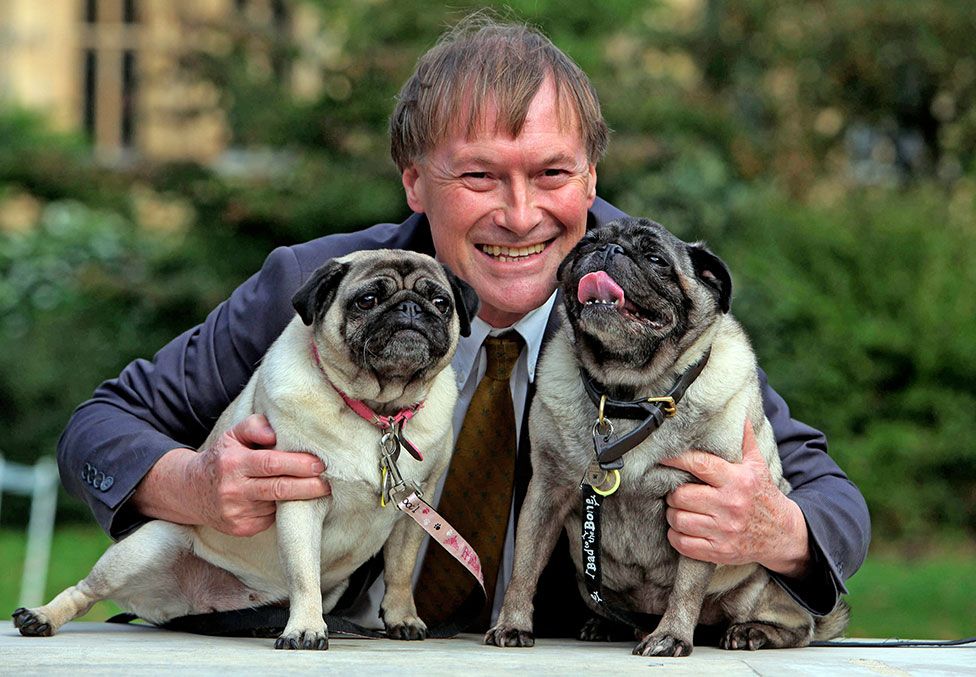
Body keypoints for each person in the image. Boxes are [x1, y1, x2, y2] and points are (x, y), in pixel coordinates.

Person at [58, 16, 870, 636]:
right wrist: (195, 484)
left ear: (590, 177)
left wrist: (776, 526)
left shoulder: (658, 310)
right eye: (479, 175)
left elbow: (831, 501)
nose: (520, 216)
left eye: (552, 174)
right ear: (415, 181)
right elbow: (98, 429)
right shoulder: (317, 288)